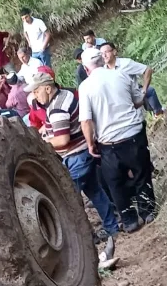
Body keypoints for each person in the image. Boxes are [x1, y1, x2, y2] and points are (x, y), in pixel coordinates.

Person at [29, 71, 118, 262]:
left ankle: (87, 239)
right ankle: (112, 227)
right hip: (83, 153)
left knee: (70, 201)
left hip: (76, 156)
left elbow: (62, 139)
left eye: (36, 91)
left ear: (47, 88)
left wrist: (42, 142)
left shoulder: (57, 109)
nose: (35, 96)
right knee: (95, 191)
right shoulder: (65, 95)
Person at [78, 48, 156, 232]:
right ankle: (147, 211)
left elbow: (86, 121)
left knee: (115, 181)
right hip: (133, 133)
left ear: (86, 68)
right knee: (141, 173)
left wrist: (90, 143)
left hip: (108, 142)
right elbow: (137, 101)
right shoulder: (121, 75)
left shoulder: (85, 87)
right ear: (101, 61)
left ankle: (129, 220)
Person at [99, 41, 164, 117]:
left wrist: (144, 89)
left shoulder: (126, 64)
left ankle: (158, 114)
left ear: (114, 52)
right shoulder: (102, 72)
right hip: (118, 102)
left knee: (150, 91)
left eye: (106, 52)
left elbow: (147, 70)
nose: (104, 55)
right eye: (101, 54)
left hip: (134, 95)